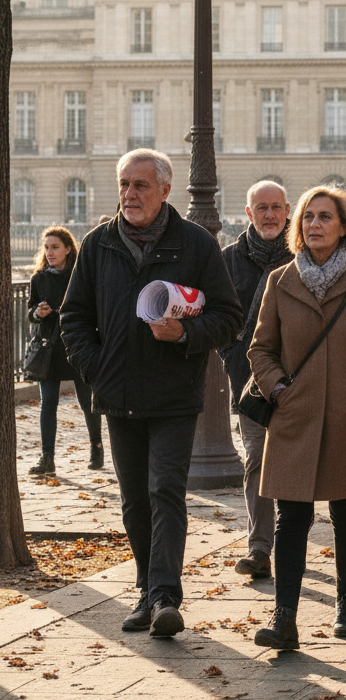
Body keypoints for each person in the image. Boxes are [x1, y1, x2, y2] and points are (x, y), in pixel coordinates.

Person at [61, 149, 243, 638]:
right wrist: (97, 368)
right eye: (124, 184)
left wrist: (185, 335)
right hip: (116, 395)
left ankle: (164, 596)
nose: (129, 194)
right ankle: (146, 589)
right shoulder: (97, 244)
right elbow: (72, 317)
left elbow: (229, 316)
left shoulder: (196, 245)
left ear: (165, 190)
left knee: (165, 491)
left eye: (140, 185)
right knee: (133, 501)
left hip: (173, 396)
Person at [249, 185, 346, 650]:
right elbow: (260, 348)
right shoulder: (280, 280)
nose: (314, 224)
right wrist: (277, 388)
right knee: (290, 519)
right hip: (294, 419)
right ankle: (285, 619)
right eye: (308, 217)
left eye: (325, 217)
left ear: (343, 228)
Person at [219, 180, 293, 580]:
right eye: (261, 207)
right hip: (250, 383)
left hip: (300, 379)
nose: (269, 215)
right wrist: (231, 356)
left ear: (287, 211)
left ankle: (292, 540)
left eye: (276, 207)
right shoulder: (228, 260)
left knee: (298, 464)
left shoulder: (303, 255)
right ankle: (260, 547)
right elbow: (216, 317)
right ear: (248, 213)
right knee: (257, 461)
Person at [26, 226, 104, 475]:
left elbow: (93, 309)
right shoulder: (38, 278)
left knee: (86, 401)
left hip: (78, 346)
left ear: (68, 249)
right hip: (49, 350)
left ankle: (96, 447)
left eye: (55, 247)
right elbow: (31, 314)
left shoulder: (80, 276)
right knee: (48, 404)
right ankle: (47, 458)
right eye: (47, 247)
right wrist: (38, 313)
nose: (49, 252)